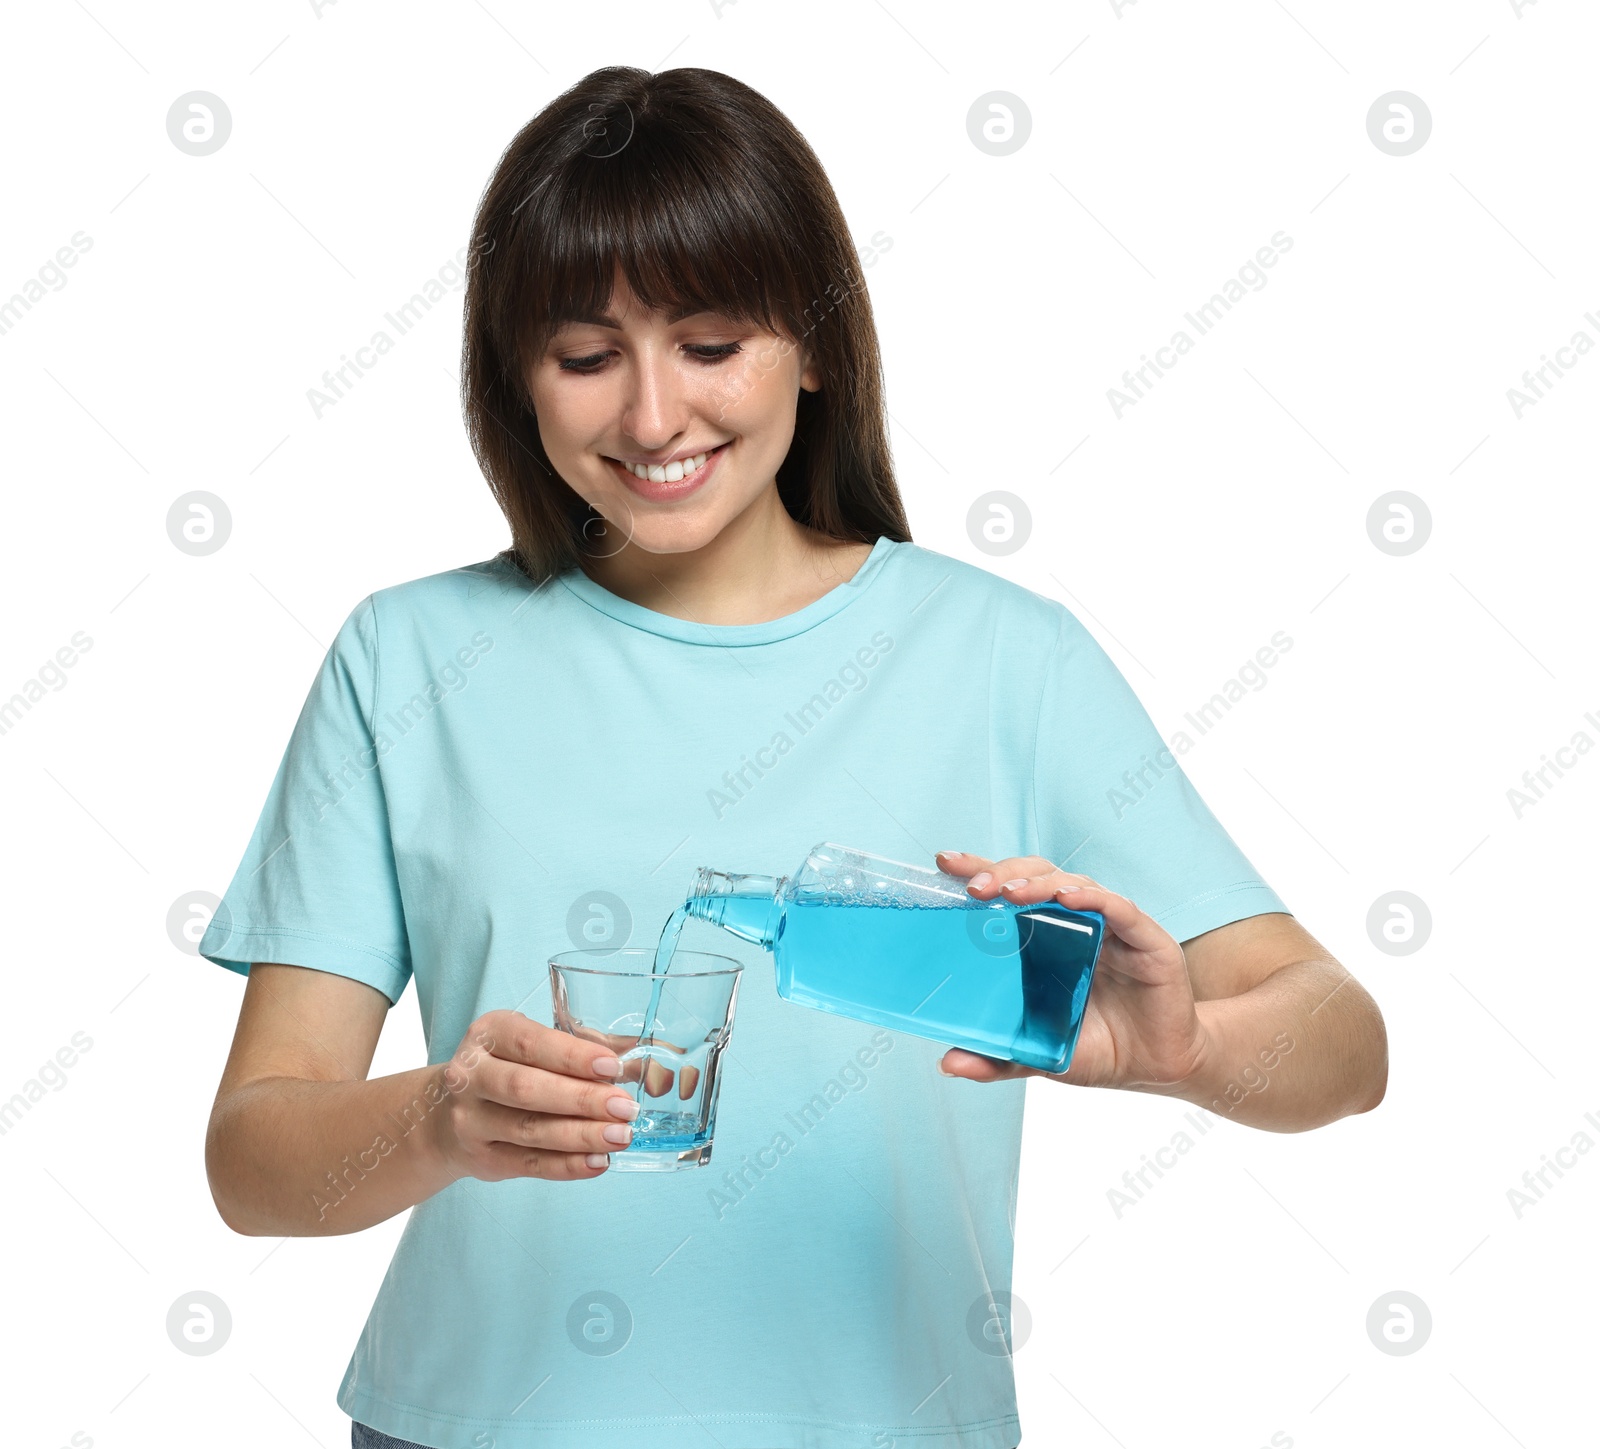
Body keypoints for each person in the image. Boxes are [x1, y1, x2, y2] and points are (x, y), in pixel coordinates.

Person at [199, 65, 1387, 1449]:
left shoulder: (1004, 659)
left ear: (815, 346)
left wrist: (1184, 1052)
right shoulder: (408, 659)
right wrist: (440, 1122)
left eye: (711, 343)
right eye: (587, 356)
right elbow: (253, 1154)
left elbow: (1345, 1043)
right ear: (514, 376)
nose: (652, 418)